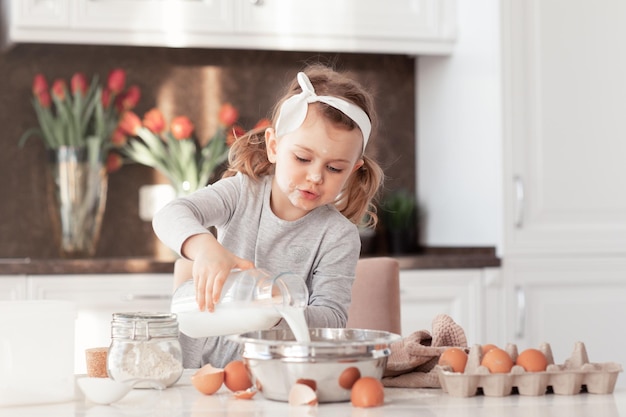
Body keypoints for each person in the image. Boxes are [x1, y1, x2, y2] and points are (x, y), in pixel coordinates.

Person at [153, 64, 384, 368]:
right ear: (274, 146)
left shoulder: (338, 235)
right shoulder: (241, 193)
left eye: (334, 168)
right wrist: (205, 248)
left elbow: (332, 320)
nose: (315, 176)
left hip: (277, 376)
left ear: (353, 170)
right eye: (302, 158)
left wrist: (276, 304)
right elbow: (170, 214)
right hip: (201, 372)